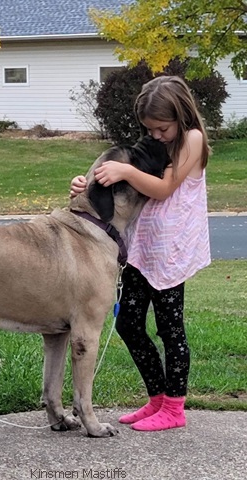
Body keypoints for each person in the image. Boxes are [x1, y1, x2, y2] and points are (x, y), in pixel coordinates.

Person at [70, 75, 211, 431]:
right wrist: (88, 183)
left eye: (162, 128)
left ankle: (175, 409)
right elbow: (127, 184)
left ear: (181, 115)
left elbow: (163, 189)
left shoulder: (192, 139)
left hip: (169, 252)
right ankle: (157, 399)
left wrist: (126, 170)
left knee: (170, 329)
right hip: (140, 248)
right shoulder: (161, 144)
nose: (156, 136)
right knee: (129, 325)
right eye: (150, 130)